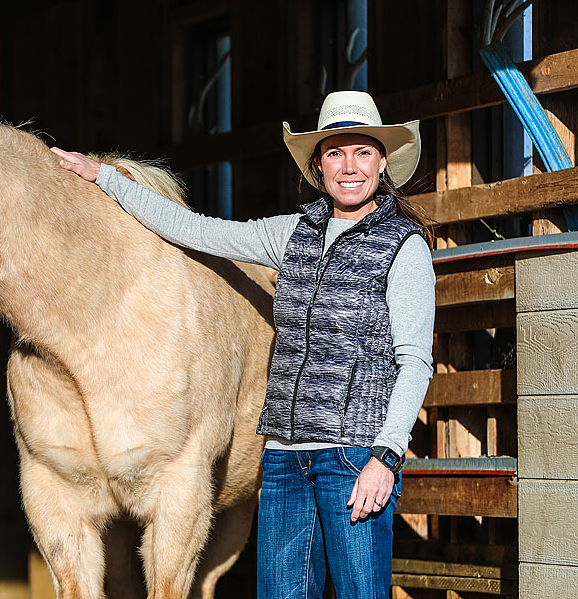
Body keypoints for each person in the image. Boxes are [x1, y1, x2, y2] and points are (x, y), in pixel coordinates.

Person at [51, 90, 435, 599]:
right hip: (281, 458)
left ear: (382, 161)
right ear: (318, 164)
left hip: (354, 458)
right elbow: (193, 229)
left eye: (362, 152)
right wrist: (105, 178)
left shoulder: (403, 246)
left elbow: (415, 362)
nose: (349, 166)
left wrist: (385, 458)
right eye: (335, 152)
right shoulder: (290, 234)